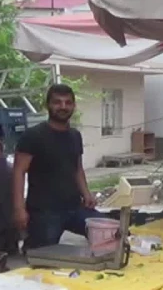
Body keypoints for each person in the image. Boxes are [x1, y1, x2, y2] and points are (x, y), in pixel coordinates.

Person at [12, 84, 99, 249]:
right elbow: (18, 171)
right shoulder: (33, 136)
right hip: (44, 212)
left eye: (68, 102)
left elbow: (77, 168)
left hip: (75, 207)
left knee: (111, 233)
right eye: (57, 102)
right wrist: (18, 209)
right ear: (48, 105)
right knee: (41, 257)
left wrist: (87, 195)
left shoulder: (75, 136)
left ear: (73, 106)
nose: (63, 107)